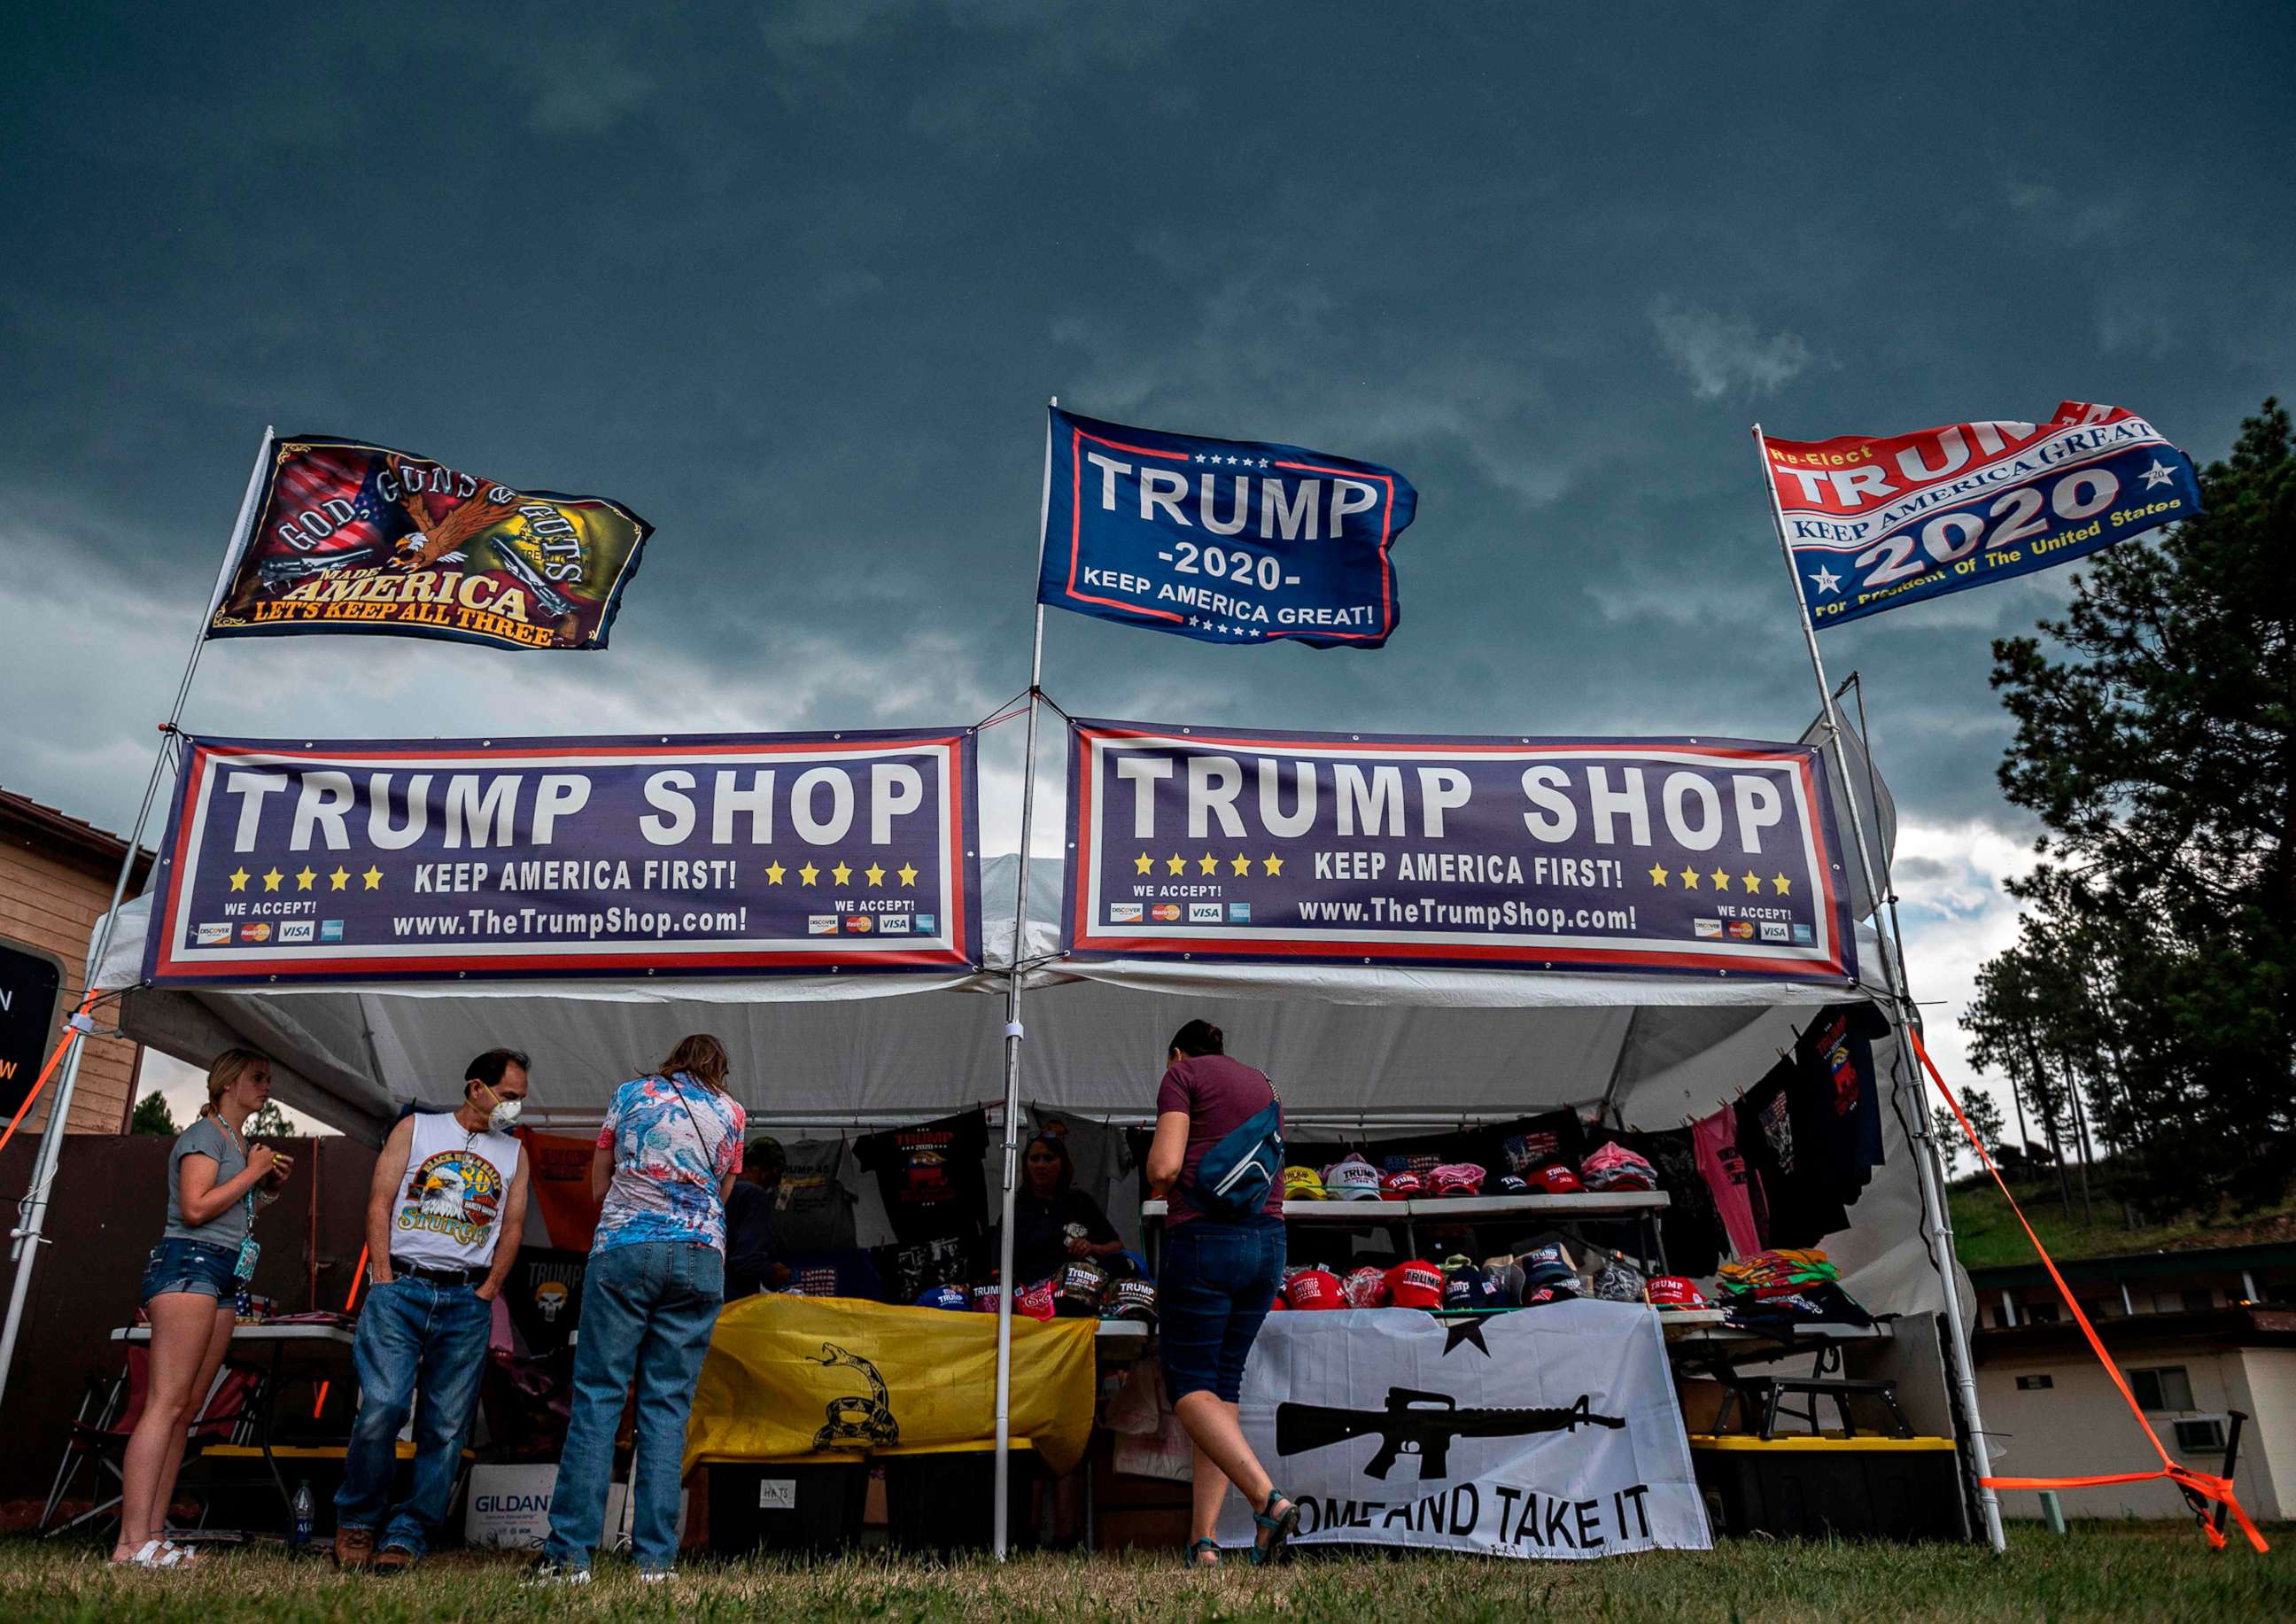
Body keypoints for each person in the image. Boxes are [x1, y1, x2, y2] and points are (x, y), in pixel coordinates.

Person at [531, 1035, 745, 1584]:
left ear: (673, 1058)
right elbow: (722, 1191)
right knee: (668, 1409)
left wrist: (623, 1209)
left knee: (600, 1398)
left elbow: (598, 1173)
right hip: (700, 1258)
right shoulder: (732, 1112)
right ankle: (654, 1561)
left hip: (627, 1247)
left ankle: (570, 1556)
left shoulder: (631, 1093)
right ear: (719, 1069)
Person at [334, 1049, 531, 1573]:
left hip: (467, 1300)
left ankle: (408, 1533)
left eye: (519, 1100)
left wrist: (490, 1289)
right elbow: (380, 1199)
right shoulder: (416, 1129)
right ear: (476, 1089)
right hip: (401, 1288)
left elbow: (512, 1226)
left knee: (445, 1427)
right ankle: (357, 1521)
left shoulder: (514, 1153)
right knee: (382, 1408)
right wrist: (381, 1273)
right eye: (509, 1097)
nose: (514, 1109)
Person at [116, 1049, 292, 1568]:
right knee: (166, 1404)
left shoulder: (233, 1142)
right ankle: (131, 1544)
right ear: (229, 1083)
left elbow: (224, 1208)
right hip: (188, 1266)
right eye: (258, 1079)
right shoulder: (203, 1135)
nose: (266, 1088)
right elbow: (194, 1208)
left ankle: (152, 1535)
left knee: (187, 1407)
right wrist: (256, 1169)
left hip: (220, 1272)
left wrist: (265, 1192)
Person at [1143, 1019, 1299, 1568]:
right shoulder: (1264, 1082)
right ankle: (1203, 1544)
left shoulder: (1181, 1075)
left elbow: (1163, 1167)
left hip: (1205, 1241)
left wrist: (1158, 1180)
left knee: (1187, 1385)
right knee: (1220, 1389)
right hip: (1268, 1243)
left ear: (1178, 1052)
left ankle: (1268, 1500)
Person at [1009, 1131, 1123, 1286]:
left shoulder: (1081, 1202)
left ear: (1062, 1163)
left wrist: (1093, 1248)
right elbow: (999, 1267)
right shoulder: (1015, 1210)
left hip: (1081, 1292)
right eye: (1034, 1159)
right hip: (1032, 1300)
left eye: (1048, 1158)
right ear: (1026, 1165)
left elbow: (1117, 1246)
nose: (1041, 1165)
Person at [724, 1137, 792, 1300]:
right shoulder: (754, 1195)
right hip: (735, 1298)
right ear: (771, 1172)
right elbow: (746, 1260)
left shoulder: (722, 1188)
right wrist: (772, 1272)